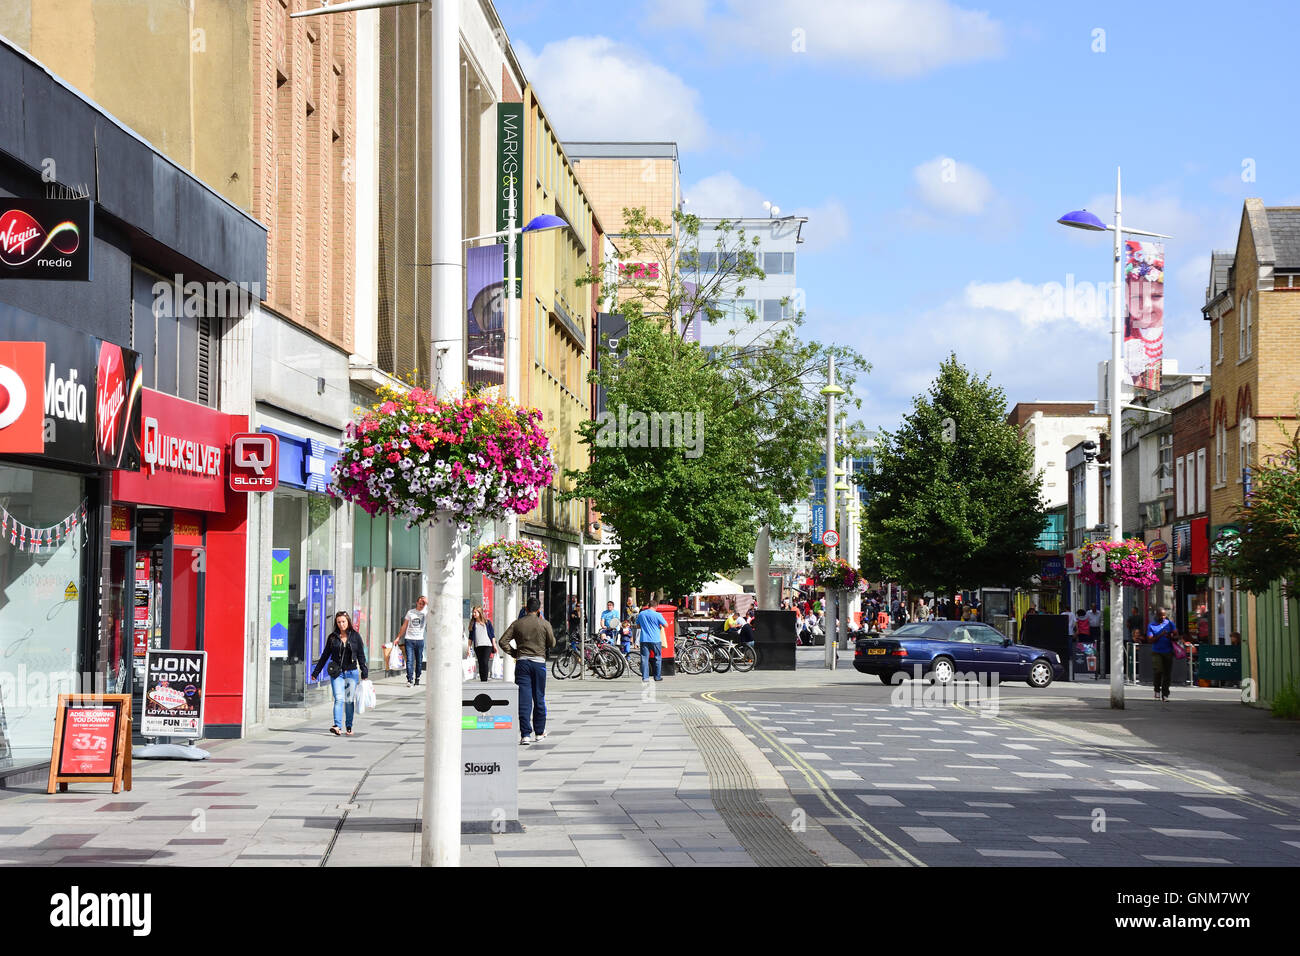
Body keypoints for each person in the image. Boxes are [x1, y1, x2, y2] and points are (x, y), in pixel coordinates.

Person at [498, 596, 556, 745]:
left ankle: (525, 734)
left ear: (525, 608)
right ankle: (539, 732)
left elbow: (502, 641)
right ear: (538, 610)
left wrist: (514, 653)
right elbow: (552, 643)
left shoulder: (517, 624)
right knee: (539, 697)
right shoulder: (544, 624)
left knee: (524, 700)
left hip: (522, 662)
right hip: (539, 663)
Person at [311, 611, 369, 736]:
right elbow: (325, 655)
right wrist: (316, 672)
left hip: (351, 673)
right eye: (339, 622)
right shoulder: (332, 637)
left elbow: (361, 655)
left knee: (348, 700)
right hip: (337, 673)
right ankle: (337, 725)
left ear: (348, 621)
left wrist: (364, 672)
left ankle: (348, 726)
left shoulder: (355, 636)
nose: (341, 624)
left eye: (343, 621)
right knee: (339, 699)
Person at [395, 595, 428, 687]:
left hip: (420, 640)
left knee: (419, 660)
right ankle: (409, 679)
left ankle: (417, 678)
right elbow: (404, 626)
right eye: (420, 603)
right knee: (409, 660)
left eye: (423, 604)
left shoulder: (426, 613)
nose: (421, 605)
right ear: (417, 603)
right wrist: (398, 637)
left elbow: (435, 611)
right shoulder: (410, 612)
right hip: (409, 639)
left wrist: (427, 602)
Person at [1147, 606, 1178, 702]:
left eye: (1165, 615)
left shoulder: (1170, 624)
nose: (1164, 617)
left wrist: (1171, 636)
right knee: (1158, 671)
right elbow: (1150, 640)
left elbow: (1177, 636)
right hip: (1157, 652)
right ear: (1157, 615)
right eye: (1161, 615)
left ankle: (1165, 694)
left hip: (1168, 651)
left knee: (1167, 674)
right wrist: (1160, 635)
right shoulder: (1151, 625)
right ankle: (1157, 690)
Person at [636, 602, 669, 682]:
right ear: (656, 606)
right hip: (655, 639)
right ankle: (657, 677)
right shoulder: (657, 615)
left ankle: (645, 677)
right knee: (657, 658)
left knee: (644, 658)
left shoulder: (641, 614)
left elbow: (638, 626)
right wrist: (658, 625)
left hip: (644, 639)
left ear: (648, 606)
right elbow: (666, 625)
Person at [467, 606, 496, 683]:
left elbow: (492, 635)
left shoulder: (487, 622)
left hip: (487, 645)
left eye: (475, 612)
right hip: (478, 646)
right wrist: (468, 648)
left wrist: (494, 645)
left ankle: (485, 680)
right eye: (473, 612)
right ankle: (482, 680)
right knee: (480, 663)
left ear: (480, 613)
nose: (474, 614)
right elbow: (470, 638)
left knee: (485, 662)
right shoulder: (473, 624)